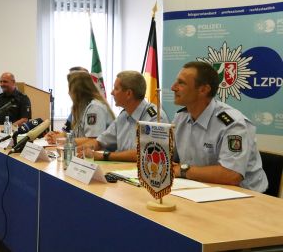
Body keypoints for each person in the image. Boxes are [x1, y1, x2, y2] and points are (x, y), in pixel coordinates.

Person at [171, 61, 268, 192]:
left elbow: (231, 175)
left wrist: (183, 170)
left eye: (181, 83)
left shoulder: (232, 123)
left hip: (245, 196)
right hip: (199, 188)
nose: (173, 87)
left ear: (203, 90)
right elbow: (170, 156)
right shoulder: (180, 117)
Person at [91, 71, 169, 162]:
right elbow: (101, 142)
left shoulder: (155, 117)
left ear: (128, 94)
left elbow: (145, 153)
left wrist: (106, 156)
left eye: (116, 89)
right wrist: (82, 151)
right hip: (122, 170)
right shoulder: (123, 116)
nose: (112, 93)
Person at [46, 71, 115, 142]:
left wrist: (62, 140)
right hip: (84, 151)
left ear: (77, 91)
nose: (68, 92)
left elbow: (93, 140)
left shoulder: (95, 107)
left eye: (70, 89)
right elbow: (77, 135)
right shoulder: (81, 107)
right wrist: (57, 136)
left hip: (101, 152)